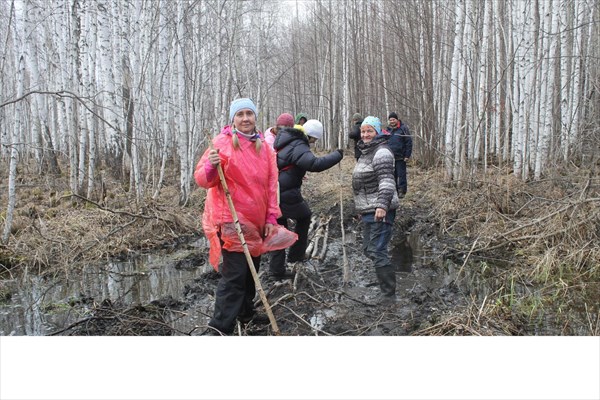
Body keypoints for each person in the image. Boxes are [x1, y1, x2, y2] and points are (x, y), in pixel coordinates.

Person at [194, 98, 297, 335]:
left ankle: (246, 312)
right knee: (235, 274)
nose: (245, 119)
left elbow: (272, 186)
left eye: (249, 113)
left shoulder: (265, 148)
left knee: (252, 270)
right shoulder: (221, 143)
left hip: (257, 220)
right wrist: (211, 166)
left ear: (255, 117)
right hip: (230, 219)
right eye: (239, 114)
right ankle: (219, 328)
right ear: (233, 118)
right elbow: (202, 180)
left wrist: (271, 218)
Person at [269, 119, 343, 279]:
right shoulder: (299, 145)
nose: (314, 143)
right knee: (304, 217)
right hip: (285, 192)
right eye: (314, 140)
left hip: (276, 190)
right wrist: (337, 155)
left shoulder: (288, 140)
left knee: (278, 227)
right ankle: (296, 255)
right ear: (311, 137)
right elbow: (314, 164)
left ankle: (277, 270)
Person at [352, 116, 399, 302]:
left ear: (378, 131)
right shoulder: (366, 151)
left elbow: (387, 181)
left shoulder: (382, 152)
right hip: (368, 209)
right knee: (369, 249)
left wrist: (382, 205)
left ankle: (389, 294)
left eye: (369, 131)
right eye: (363, 131)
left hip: (380, 209)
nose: (365, 134)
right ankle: (386, 272)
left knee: (378, 250)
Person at [386, 112, 412, 197]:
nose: (392, 121)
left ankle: (402, 191)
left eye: (393, 119)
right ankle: (395, 191)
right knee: (393, 175)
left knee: (401, 175)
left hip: (401, 157)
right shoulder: (387, 130)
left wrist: (407, 155)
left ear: (397, 120)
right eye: (390, 120)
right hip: (390, 157)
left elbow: (409, 142)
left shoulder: (403, 129)